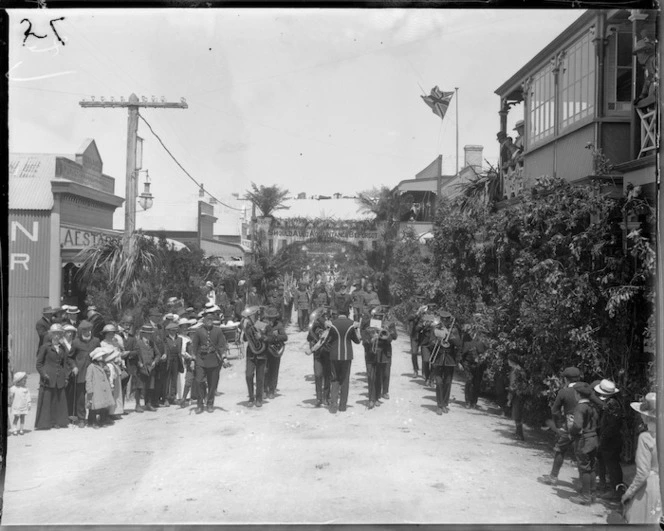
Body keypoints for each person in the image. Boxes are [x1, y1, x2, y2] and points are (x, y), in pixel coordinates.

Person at [538, 367, 582, 486]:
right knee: (581, 454)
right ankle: (584, 484)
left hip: (569, 425)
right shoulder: (586, 389)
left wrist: (560, 424)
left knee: (560, 449)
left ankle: (553, 477)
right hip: (584, 425)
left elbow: (555, 410)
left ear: (566, 379)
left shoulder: (564, 392)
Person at [621, 392, 661, 523]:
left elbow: (643, 473)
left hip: (652, 486)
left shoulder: (646, 437)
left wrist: (629, 493)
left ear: (646, 416)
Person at [35, 324, 73, 430]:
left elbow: (65, 364)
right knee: (47, 400)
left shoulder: (62, 348)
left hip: (59, 377)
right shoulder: (45, 347)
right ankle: (45, 423)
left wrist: (66, 377)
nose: (57, 336)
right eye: (55, 334)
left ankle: (57, 421)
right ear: (51, 335)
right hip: (48, 377)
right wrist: (43, 374)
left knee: (58, 400)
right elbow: (39, 364)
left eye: (59, 334)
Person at [568, 382, 600, 505]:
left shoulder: (579, 408)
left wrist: (571, 431)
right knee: (591, 467)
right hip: (593, 438)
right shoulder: (592, 406)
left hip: (584, 440)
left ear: (578, 394)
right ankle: (592, 494)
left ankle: (585, 496)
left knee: (584, 468)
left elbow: (577, 425)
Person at [191, 311, 228, 414]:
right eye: (207, 319)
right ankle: (200, 404)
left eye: (211, 319)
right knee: (199, 381)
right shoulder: (198, 331)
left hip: (213, 360)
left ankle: (210, 403)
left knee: (212, 384)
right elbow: (194, 347)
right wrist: (193, 360)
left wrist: (224, 357)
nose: (209, 321)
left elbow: (221, 346)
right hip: (201, 359)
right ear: (204, 321)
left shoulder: (218, 331)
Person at [594, 379, 624, 500]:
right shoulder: (612, 402)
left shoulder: (612, 404)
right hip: (609, 438)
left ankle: (615, 490)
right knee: (605, 461)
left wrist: (603, 437)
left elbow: (612, 425)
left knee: (612, 465)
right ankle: (606, 486)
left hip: (611, 440)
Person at [326, 310, 361, 413]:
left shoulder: (332, 324)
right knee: (345, 381)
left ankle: (333, 406)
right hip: (347, 355)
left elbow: (326, 339)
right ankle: (342, 406)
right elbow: (358, 341)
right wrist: (357, 329)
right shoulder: (351, 324)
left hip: (334, 354)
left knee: (334, 380)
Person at [429, 311, 463, 415]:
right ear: (440, 319)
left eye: (446, 320)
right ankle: (439, 405)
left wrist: (451, 336)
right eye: (443, 319)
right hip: (438, 358)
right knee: (439, 382)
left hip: (450, 360)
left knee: (447, 383)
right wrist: (439, 340)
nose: (444, 321)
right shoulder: (436, 328)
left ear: (449, 320)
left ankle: (444, 404)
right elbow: (430, 343)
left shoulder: (454, 329)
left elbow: (459, 344)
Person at [67, 320, 99, 427]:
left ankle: (92, 418)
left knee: (92, 396)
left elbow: (100, 355)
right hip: (80, 373)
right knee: (80, 397)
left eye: (89, 330)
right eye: (85, 330)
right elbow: (70, 357)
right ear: (81, 331)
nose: (87, 332)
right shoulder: (76, 342)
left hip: (93, 372)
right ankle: (81, 418)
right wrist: (74, 367)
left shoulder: (95, 341)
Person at [306, 307, 331, 407]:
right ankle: (318, 398)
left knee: (327, 376)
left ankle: (326, 397)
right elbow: (309, 338)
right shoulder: (314, 327)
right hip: (318, 354)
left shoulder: (330, 326)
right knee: (318, 375)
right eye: (321, 316)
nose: (323, 318)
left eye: (324, 316)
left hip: (328, 353)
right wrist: (314, 332)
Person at [85, 346, 116, 429]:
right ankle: (93, 421)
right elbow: (88, 379)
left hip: (103, 388)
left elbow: (107, 376)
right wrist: (89, 390)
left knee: (104, 405)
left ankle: (102, 420)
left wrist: (107, 371)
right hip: (96, 389)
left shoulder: (103, 365)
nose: (102, 357)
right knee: (94, 407)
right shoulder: (91, 367)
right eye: (101, 356)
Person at [132, 325, 158, 412]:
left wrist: (155, 361)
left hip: (151, 368)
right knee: (139, 387)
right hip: (141, 368)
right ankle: (137, 405)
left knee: (150, 387)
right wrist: (139, 363)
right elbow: (135, 355)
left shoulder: (152, 343)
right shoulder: (138, 343)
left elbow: (158, 354)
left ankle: (148, 404)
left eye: (150, 334)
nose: (148, 336)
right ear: (142, 334)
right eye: (146, 334)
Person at [461, 325, 488, 409]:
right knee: (469, 381)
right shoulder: (467, 342)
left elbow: (485, 353)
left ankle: (474, 402)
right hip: (468, 364)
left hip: (478, 366)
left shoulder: (483, 343)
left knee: (476, 384)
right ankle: (468, 401)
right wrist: (460, 363)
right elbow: (462, 354)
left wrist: (482, 359)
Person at [264, 307, 288, 400]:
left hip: (275, 350)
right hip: (265, 350)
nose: (271, 320)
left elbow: (285, 337)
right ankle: (264, 390)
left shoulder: (279, 325)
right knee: (265, 370)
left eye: (272, 318)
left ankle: (272, 390)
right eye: (269, 318)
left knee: (274, 370)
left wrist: (277, 336)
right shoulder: (263, 324)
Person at [163, 321, 185, 405]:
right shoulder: (165, 339)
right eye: (171, 330)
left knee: (174, 379)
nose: (173, 332)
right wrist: (165, 354)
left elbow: (180, 351)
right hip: (168, 360)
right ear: (168, 331)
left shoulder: (179, 339)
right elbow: (165, 349)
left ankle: (173, 397)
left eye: (175, 330)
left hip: (176, 360)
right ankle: (166, 398)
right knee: (167, 380)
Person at [507, 354, 527, 441]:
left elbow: (512, 385)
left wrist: (509, 398)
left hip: (516, 394)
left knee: (516, 414)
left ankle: (519, 434)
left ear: (511, 361)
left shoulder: (514, 371)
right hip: (523, 393)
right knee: (519, 414)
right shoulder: (521, 369)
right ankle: (518, 433)